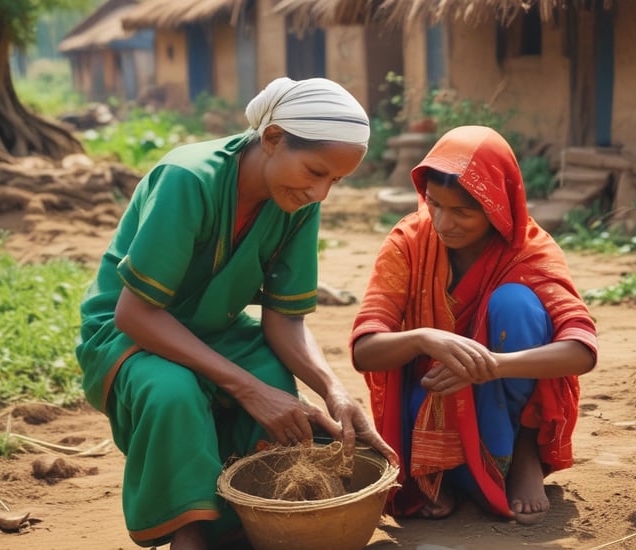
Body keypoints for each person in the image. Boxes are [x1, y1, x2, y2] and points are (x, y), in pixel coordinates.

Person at [75, 76, 398, 550]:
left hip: (216, 329)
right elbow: (135, 314)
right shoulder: (188, 179)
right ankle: (191, 532)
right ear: (272, 139)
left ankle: (250, 517)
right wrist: (248, 389)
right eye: (315, 171)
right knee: (173, 392)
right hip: (129, 333)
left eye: (336, 180)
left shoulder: (298, 202)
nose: (321, 192)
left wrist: (334, 392)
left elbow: (285, 320)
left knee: (273, 374)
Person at [350, 125, 598, 525]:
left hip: (506, 393)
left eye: (463, 211)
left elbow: (581, 350)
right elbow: (365, 350)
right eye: (434, 205)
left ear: (497, 206)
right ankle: (443, 473)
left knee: (515, 304)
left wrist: (489, 366)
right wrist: (422, 339)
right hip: (431, 396)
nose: (444, 223)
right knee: (427, 421)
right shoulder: (409, 243)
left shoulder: (528, 250)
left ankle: (524, 452)